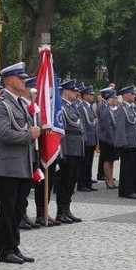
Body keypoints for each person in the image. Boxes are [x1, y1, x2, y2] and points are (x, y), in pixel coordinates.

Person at [0, 62, 39, 264]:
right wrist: (28, 135)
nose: (24, 81)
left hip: (23, 165)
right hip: (8, 166)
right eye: (21, 78)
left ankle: (14, 246)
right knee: (7, 209)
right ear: (9, 80)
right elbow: (3, 134)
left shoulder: (20, 103)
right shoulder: (1, 105)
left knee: (19, 209)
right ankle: (5, 250)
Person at [55, 79, 84, 222]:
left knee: (72, 180)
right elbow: (62, 130)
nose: (76, 93)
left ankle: (67, 208)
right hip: (69, 149)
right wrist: (63, 151)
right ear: (65, 92)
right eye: (73, 91)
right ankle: (61, 211)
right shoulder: (61, 107)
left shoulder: (73, 106)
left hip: (76, 148)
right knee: (64, 181)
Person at [114, 85, 136, 200]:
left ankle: (127, 189)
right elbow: (120, 127)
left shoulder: (130, 108)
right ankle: (127, 190)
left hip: (133, 142)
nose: (134, 96)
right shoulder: (122, 109)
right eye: (132, 94)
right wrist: (123, 142)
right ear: (126, 95)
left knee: (131, 167)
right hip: (126, 143)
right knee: (127, 168)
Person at [76, 86, 98, 192]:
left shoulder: (89, 107)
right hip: (86, 139)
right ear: (85, 96)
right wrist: (84, 138)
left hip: (92, 138)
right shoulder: (82, 107)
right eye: (90, 94)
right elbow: (83, 124)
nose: (92, 96)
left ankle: (88, 182)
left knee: (89, 163)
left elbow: (93, 123)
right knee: (84, 163)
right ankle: (82, 184)